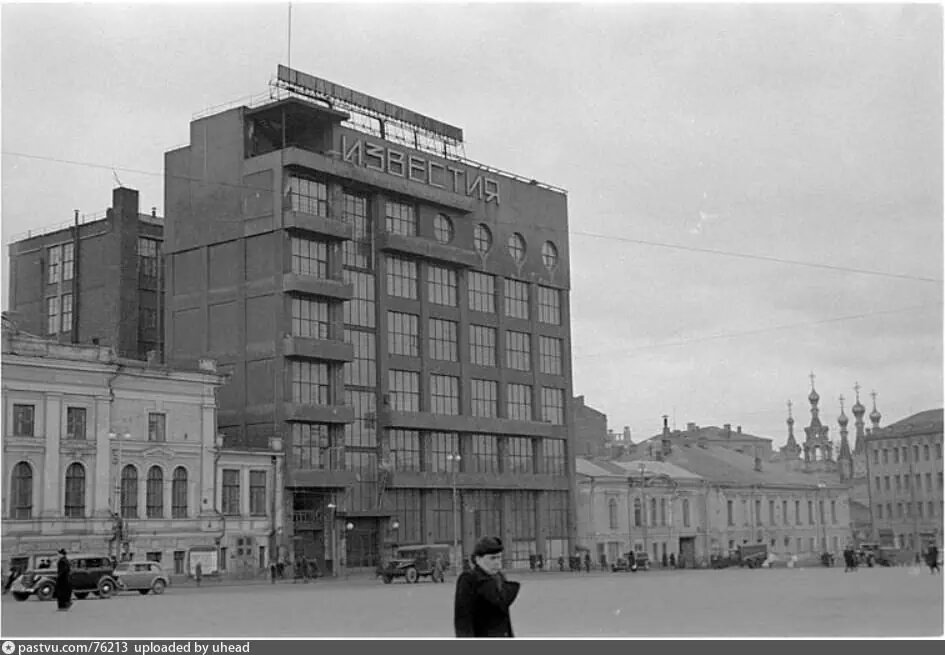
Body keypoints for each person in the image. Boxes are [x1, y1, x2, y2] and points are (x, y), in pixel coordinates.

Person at [454, 536, 520, 638]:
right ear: (478, 559)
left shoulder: (499, 578)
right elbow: (463, 620)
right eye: (492, 558)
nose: (497, 562)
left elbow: (505, 621)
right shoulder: (469, 580)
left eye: (499, 557)